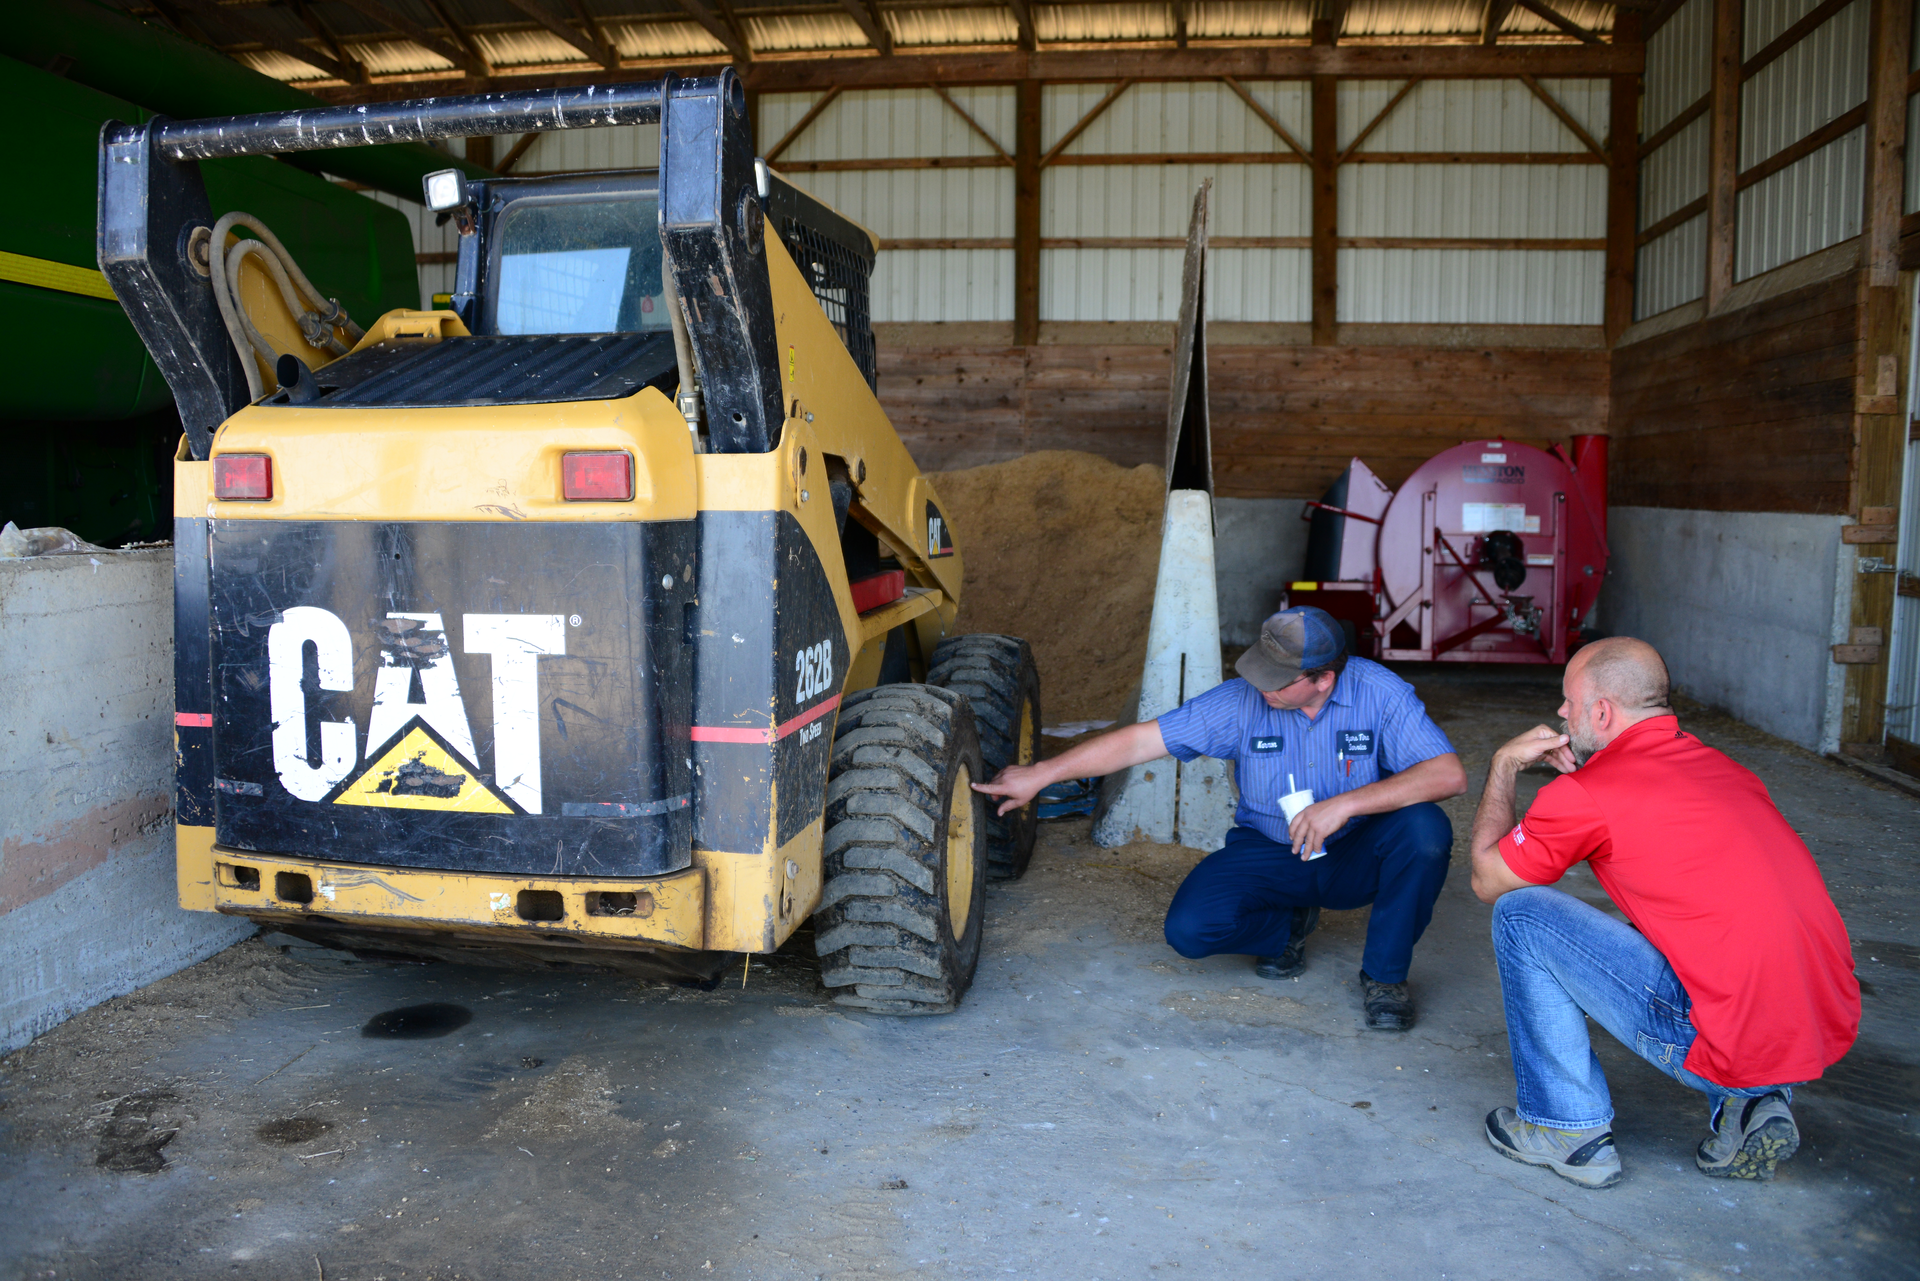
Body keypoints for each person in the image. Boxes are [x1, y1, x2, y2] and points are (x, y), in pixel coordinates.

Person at [1468, 637, 1860, 1189]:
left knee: (1521, 913)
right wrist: (1578, 789)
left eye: (1569, 701)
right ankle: (1753, 1101)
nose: (1561, 712)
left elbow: (1487, 879)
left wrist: (1504, 764)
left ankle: (1565, 1129)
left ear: (1601, 711)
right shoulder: (1726, 770)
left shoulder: (1587, 794)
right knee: (1688, 925)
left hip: (1712, 1031)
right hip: (1815, 1020)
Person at [975, 606, 1467, 1030]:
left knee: (1425, 831)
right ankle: (1286, 928)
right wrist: (1041, 773)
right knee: (1189, 931)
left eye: (1276, 680)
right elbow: (1140, 741)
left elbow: (1448, 775)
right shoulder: (1240, 701)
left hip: (1357, 850)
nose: (1260, 687)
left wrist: (1344, 805)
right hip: (1271, 849)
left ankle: (1385, 977)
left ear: (1323, 679)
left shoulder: (1381, 692)